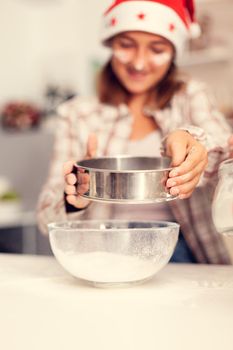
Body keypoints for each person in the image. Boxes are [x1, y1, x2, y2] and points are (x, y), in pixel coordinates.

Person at [37, 0, 233, 264]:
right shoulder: (77, 114)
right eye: (126, 45)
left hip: (184, 251)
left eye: (157, 49)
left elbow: (223, 153)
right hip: (104, 250)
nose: (139, 63)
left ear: (174, 52)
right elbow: (45, 218)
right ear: (111, 44)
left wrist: (192, 143)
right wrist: (76, 197)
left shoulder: (191, 95)